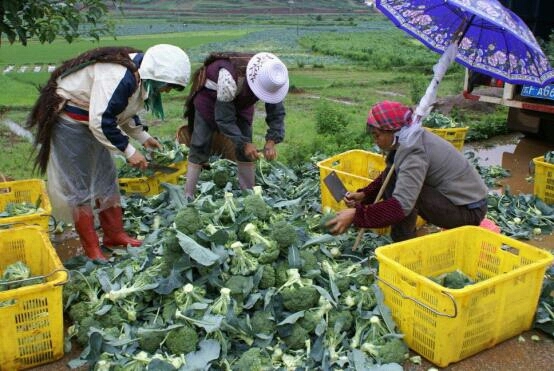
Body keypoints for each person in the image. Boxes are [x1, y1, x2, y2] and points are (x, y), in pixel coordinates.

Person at [26, 44, 191, 260]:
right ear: (157, 75)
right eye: (168, 86)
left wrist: (143, 137)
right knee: (79, 186)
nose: (167, 91)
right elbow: (102, 120)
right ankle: (92, 249)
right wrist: (130, 151)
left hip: (94, 119)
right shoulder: (118, 76)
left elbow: (123, 109)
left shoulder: (138, 76)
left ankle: (114, 235)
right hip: (71, 120)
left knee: (106, 177)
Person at [326, 100, 488, 242]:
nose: (375, 140)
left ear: (395, 132)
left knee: (408, 195)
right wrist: (365, 195)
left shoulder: (413, 152)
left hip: (468, 211)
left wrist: (356, 216)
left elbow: (401, 205)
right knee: (396, 178)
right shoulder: (408, 138)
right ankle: (405, 237)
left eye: (377, 135)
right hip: (452, 199)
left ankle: (403, 242)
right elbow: (391, 173)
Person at [183, 51, 289, 198]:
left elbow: (276, 114)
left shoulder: (274, 76)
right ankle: (188, 194)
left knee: (246, 145)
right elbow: (224, 119)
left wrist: (271, 141)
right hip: (209, 98)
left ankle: (249, 194)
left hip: (242, 101)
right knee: (200, 143)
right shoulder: (230, 77)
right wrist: (244, 143)